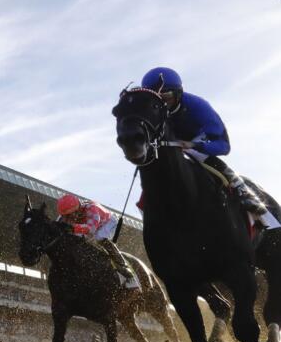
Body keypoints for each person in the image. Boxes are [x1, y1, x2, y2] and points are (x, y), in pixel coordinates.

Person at [140, 67, 278, 228]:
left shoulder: (198, 106)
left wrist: (194, 144)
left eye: (167, 97)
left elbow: (223, 145)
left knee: (195, 153)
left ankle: (243, 192)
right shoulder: (150, 111)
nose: (163, 103)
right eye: (157, 98)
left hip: (201, 140)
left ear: (178, 94)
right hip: (172, 144)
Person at [56, 193, 140, 290]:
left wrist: (72, 227)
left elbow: (91, 229)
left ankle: (128, 275)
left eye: (74, 213)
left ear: (79, 207)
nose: (72, 217)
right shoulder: (63, 217)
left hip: (107, 223)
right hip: (87, 226)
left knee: (99, 237)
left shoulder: (91, 208)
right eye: (68, 216)